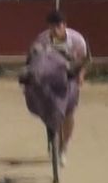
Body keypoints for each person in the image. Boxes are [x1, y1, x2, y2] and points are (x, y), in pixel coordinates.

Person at [25, 11, 90, 164]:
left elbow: (84, 60)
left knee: (69, 113)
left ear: (65, 26)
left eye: (58, 26)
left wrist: (81, 75)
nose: (55, 30)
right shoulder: (42, 39)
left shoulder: (76, 39)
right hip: (50, 78)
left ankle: (64, 147)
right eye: (51, 26)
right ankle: (52, 128)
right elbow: (33, 59)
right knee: (45, 102)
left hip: (69, 76)